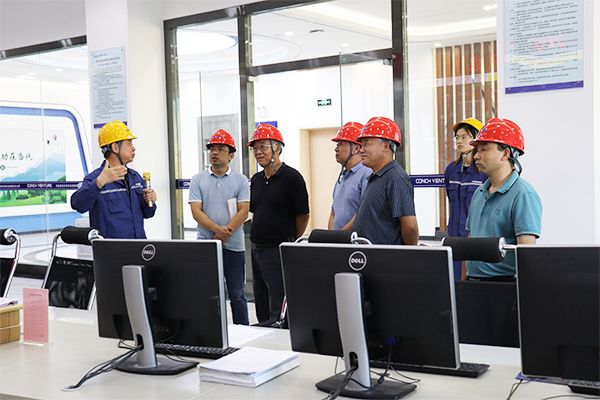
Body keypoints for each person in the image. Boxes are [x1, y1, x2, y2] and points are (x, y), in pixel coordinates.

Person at [465, 118, 542, 280]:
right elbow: (471, 241)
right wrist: (463, 282)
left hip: (505, 285)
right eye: (477, 150)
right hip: (473, 283)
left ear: (505, 154)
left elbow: (526, 255)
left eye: (483, 149)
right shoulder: (479, 192)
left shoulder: (523, 195)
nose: (476, 156)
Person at [248, 124, 310, 324]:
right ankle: (263, 335)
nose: (258, 152)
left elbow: (303, 215)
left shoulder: (292, 178)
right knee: (261, 300)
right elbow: (256, 211)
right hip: (256, 250)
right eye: (255, 148)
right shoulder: (256, 180)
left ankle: (279, 337)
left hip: (277, 249)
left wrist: (290, 240)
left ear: (278, 148)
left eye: (263, 146)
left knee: (278, 301)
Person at [188, 130, 250, 325]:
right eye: (212, 149)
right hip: (206, 246)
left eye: (220, 149)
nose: (214, 152)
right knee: (209, 294)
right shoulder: (198, 179)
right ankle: (212, 331)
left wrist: (223, 235)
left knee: (237, 294)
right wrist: (218, 231)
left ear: (231, 155)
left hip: (234, 247)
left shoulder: (241, 180)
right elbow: (196, 212)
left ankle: (243, 332)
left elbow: (244, 211)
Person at [71, 121, 156, 239]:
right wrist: (99, 183)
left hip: (139, 246)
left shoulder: (135, 178)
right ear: (115, 147)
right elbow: (78, 205)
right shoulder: (95, 179)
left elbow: (148, 214)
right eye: (129, 143)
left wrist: (150, 202)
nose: (133, 148)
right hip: (111, 249)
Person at [344, 117, 419, 245]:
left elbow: (411, 228)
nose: (361, 150)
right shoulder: (375, 177)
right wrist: (336, 238)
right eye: (361, 145)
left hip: (385, 256)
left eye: (366, 144)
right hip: (366, 255)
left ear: (385, 146)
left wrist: (408, 254)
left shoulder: (396, 178)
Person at [444, 118, 487, 280]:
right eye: (457, 137)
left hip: (474, 241)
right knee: (454, 283)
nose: (459, 141)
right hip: (454, 241)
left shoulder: (483, 172)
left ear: (476, 140)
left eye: (464, 137)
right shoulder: (451, 170)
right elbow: (451, 200)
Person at [328, 122, 372, 230]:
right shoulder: (342, 177)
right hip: (339, 239)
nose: (336, 149)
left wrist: (341, 235)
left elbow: (364, 213)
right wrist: (331, 237)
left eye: (340, 144)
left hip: (354, 239)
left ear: (356, 148)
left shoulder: (367, 175)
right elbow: (333, 213)